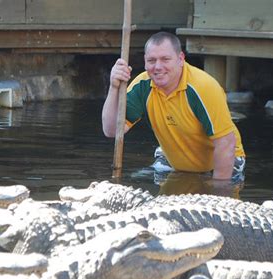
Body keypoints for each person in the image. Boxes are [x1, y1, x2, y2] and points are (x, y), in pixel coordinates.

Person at [102, 31, 246, 188]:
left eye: (165, 59)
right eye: (151, 60)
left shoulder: (203, 87)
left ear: (181, 59)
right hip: (173, 160)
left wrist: (219, 193)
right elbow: (111, 131)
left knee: (219, 194)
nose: (157, 67)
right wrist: (114, 87)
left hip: (220, 162)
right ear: (144, 62)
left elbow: (226, 144)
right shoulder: (142, 86)